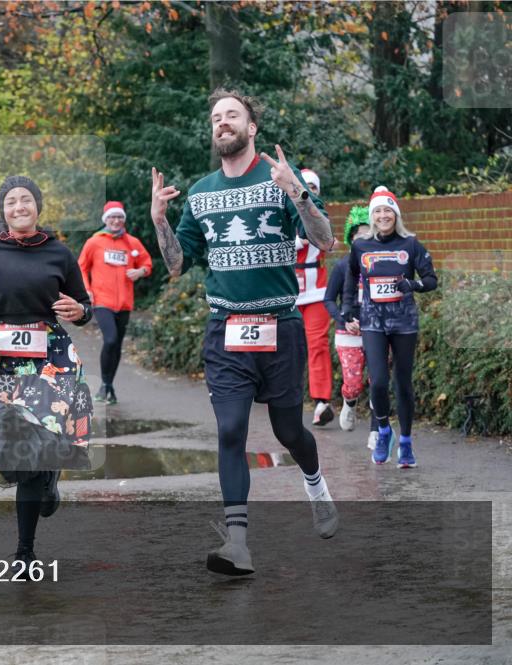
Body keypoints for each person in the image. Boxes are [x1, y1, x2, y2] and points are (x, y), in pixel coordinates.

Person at [149, 88, 339, 576]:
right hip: (226, 330)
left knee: (287, 430)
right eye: (216, 117)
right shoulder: (202, 192)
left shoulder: (279, 179)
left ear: (251, 127)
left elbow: (325, 240)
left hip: (280, 326)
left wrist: (296, 191)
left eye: (232, 115)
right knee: (231, 430)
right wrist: (158, 221)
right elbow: (175, 264)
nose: (222, 123)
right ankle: (238, 544)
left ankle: (316, 485)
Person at [0, 175, 93, 564]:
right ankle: (27, 544)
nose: (19, 206)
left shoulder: (58, 253)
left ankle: (26, 547)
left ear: (38, 207)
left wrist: (82, 312)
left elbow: (83, 305)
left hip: (51, 358)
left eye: (26, 200)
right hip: (3, 360)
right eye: (11, 201)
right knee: (17, 453)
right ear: (2, 210)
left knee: (39, 449)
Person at [344, 187, 437, 468]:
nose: (383, 216)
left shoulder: (410, 244)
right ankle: (384, 431)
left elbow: (431, 279)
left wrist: (413, 285)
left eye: (388, 211)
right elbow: (351, 277)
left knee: (402, 384)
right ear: (372, 216)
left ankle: (406, 442)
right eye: (378, 211)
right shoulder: (361, 246)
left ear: (396, 215)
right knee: (379, 381)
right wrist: (348, 309)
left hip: (403, 321)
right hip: (373, 322)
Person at [77, 200, 153, 404]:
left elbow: (147, 263)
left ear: (123, 220)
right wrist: (86, 290)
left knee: (117, 345)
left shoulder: (132, 243)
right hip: (102, 301)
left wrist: (140, 271)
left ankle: (108, 387)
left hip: (125, 303)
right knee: (110, 340)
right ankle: (105, 384)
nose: (116, 221)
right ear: (106, 220)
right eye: (112, 217)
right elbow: (81, 267)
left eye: (119, 217)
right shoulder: (95, 242)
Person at [324, 206, 378, 448]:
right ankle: (350, 401)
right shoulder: (342, 266)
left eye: (369, 235)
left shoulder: (381, 264)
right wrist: (344, 319)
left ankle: (377, 431)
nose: (364, 239)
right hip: (349, 333)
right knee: (354, 383)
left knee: (378, 381)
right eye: (359, 235)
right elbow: (328, 300)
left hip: (377, 330)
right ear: (351, 238)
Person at [295, 169, 335, 426]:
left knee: (317, 344)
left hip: (316, 291)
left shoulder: (320, 215)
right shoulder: (281, 212)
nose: (308, 190)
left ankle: (322, 401)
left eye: (313, 187)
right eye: (304, 186)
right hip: (285, 292)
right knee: (282, 348)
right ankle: (277, 396)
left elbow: (328, 241)